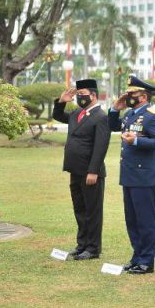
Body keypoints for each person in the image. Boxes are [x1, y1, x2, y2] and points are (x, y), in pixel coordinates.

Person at [108, 76, 155, 274]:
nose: (127, 96)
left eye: (131, 94)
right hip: (130, 175)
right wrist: (115, 108)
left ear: (143, 97)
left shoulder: (152, 116)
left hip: (145, 177)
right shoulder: (130, 114)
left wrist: (136, 141)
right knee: (132, 221)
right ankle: (137, 256)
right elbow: (112, 126)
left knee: (145, 221)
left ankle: (146, 261)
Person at [52, 79, 110, 260]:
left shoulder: (101, 117)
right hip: (75, 170)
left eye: (82, 94)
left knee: (92, 211)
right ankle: (82, 244)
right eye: (78, 94)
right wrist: (62, 101)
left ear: (93, 95)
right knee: (80, 209)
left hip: (90, 172)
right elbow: (58, 116)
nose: (79, 97)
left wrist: (93, 171)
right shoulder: (77, 113)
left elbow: (101, 146)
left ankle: (93, 248)